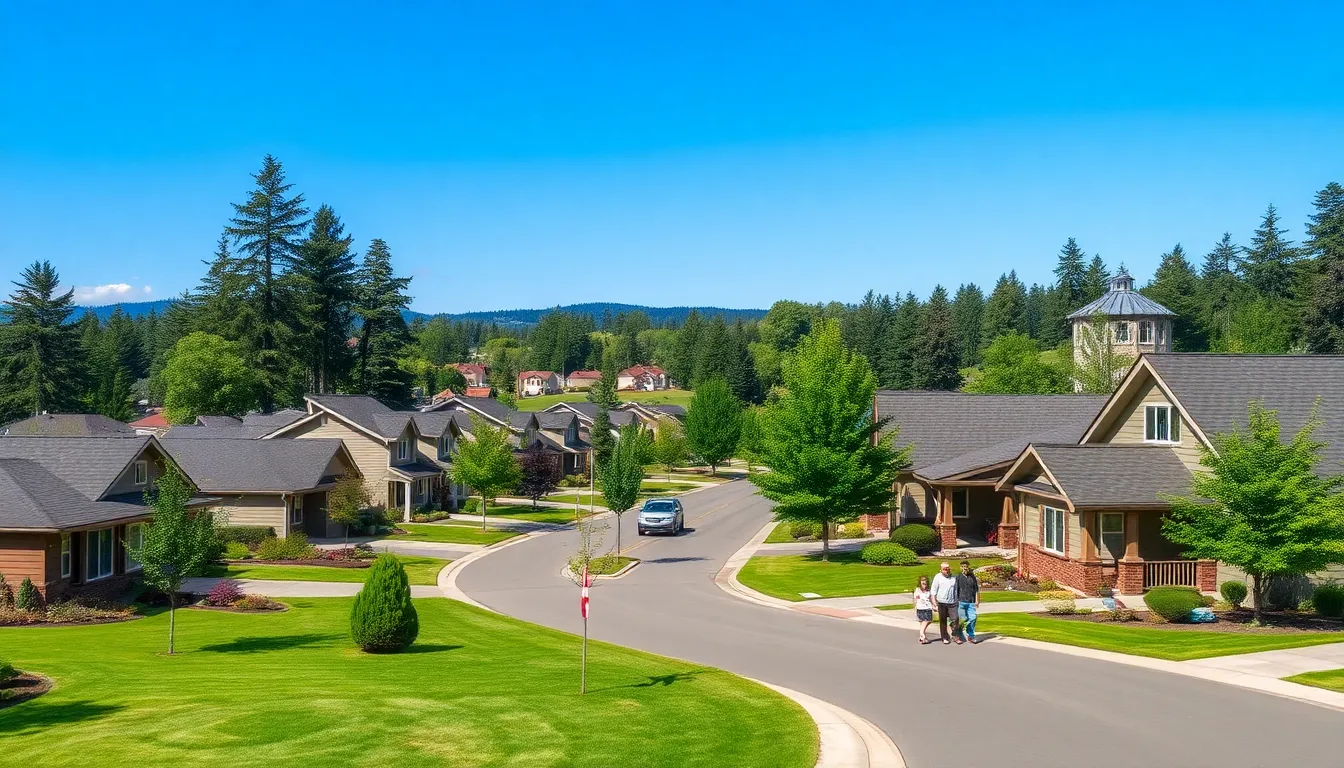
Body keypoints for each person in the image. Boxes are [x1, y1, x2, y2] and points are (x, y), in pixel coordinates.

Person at [930, 561, 959, 644]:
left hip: (952, 602)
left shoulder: (953, 578)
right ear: (941, 570)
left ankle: (955, 635)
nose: (947, 570)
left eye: (948, 569)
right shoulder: (938, 577)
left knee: (955, 619)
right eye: (945, 569)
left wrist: (957, 601)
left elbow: (956, 590)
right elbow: (933, 591)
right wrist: (934, 603)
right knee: (943, 621)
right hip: (941, 602)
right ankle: (944, 637)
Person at [956, 559, 981, 644]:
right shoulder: (958, 577)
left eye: (966, 567)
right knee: (963, 619)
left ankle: (971, 635)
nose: (964, 568)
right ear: (960, 568)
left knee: (973, 618)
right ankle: (958, 635)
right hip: (961, 602)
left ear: (968, 567)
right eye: (963, 567)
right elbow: (955, 590)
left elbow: (977, 589)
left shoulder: (972, 577)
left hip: (971, 602)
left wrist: (978, 600)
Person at [912, 575, 934, 644]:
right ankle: (922, 635)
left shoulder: (929, 590)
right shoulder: (917, 590)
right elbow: (915, 599)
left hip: (928, 608)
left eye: (925, 581)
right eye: (922, 581)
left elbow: (931, 599)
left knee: (928, 621)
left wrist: (934, 605)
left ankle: (922, 637)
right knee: (924, 621)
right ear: (920, 582)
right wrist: (915, 607)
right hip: (920, 608)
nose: (924, 582)